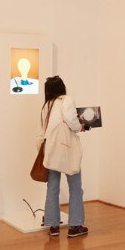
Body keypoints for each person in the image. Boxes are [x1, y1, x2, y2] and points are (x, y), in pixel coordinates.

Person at [38, 76, 88, 238]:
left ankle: (53, 226)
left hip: (51, 151)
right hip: (67, 150)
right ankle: (75, 226)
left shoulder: (46, 106)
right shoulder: (66, 100)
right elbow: (72, 121)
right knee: (75, 187)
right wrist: (81, 127)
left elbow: (43, 130)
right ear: (62, 88)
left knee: (52, 187)